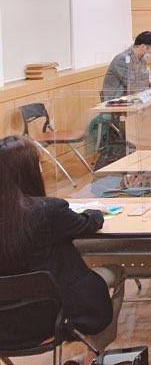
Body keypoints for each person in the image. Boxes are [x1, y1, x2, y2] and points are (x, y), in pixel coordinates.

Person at [0, 136, 125, 363]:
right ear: (28, 171)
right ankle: (93, 356)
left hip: (6, 327)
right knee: (116, 272)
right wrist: (94, 211)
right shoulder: (47, 211)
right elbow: (89, 223)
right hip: (53, 317)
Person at [101, 31, 151, 98]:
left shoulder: (142, 60)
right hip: (116, 100)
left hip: (133, 97)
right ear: (143, 46)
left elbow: (144, 82)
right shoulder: (123, 59)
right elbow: (132, 86)